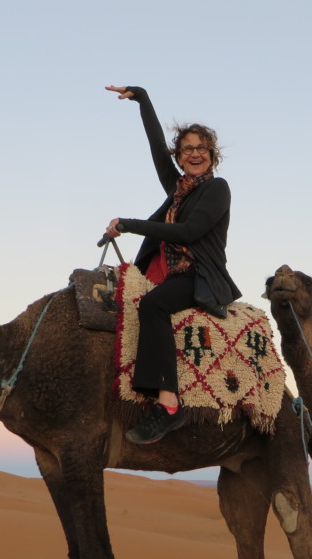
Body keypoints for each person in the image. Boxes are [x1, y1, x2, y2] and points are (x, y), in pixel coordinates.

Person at [103, 85, 241, 445]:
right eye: (187, 149)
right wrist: (142, 98)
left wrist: (129, 225)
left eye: (201, 148)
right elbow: (156, 148)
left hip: (199, 276)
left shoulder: (217, 189)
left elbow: (190, 231)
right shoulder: (178, 190)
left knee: (153, 305)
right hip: (168, 272)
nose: (194, 153)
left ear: (211, 155)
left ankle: (168, 404)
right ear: (179, 157)